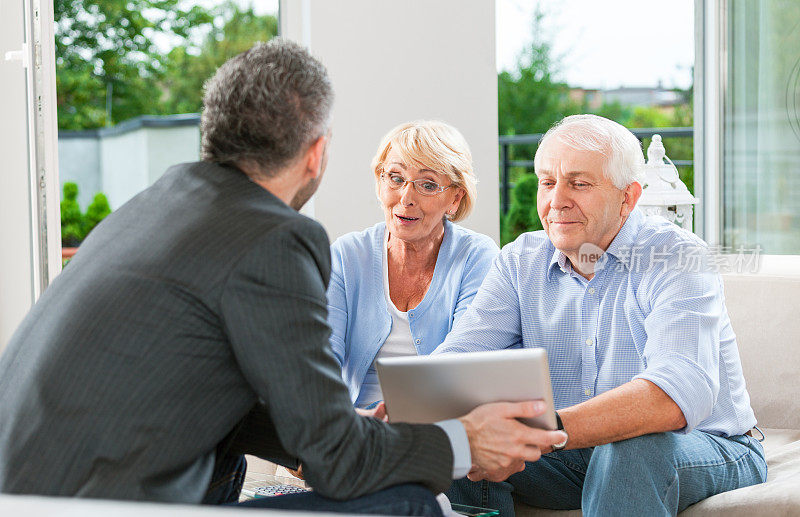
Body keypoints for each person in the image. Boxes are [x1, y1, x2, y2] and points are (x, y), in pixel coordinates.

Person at [0, 39, 568, 515]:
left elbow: (239, 403)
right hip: (108, 504)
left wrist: (339, 428)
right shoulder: (275, 236)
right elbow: (338, 461)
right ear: (316, 154)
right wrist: (462, 443)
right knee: (407, 503)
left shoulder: (151, 206)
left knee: (230, 453)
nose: (407, 198)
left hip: (29, 494)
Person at [434, 114, 767, 516]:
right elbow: (452, 368)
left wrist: (544, 430)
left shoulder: (677, 257)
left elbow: (675, 396)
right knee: (456, 442)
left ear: (627, 198)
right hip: (571, 452)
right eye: (547, 182)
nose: (556, 201)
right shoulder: (520, 260)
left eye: (579, 183)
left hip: (708, 445)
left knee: (632, 444)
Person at [328, 120, 499, 408]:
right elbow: (322, 359)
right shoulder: (347, 255)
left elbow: (465, 362)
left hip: (442, 419)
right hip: (355, 427)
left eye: (428, 185)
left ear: (455, 198)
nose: (406, 198)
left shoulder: (477, 257)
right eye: (395, 178)